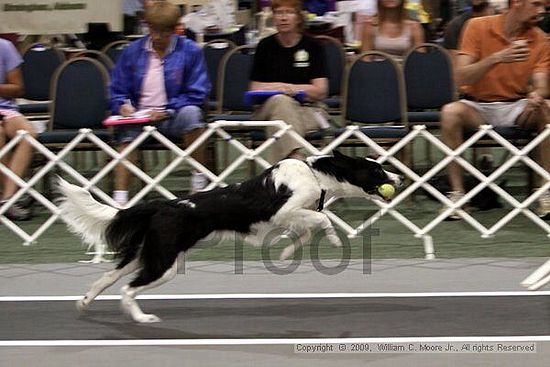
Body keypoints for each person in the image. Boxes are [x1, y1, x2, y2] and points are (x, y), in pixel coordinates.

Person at [440, 0, 550, 220]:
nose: (542, 11)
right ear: (516, 3)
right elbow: (460, 76)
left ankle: (544, 191)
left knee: (547, 108)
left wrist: (537, 95)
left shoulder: (541, 39)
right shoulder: (477, 26)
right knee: (449, 112)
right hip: (477, 105)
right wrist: (498, 58)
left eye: (545, 7)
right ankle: (458, 196)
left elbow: (541, 85)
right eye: (536, 4)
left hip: (516, 106)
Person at [110, 1, 211, 206]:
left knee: (192, 114)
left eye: (164, 32)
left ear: (175, 29)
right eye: (153, 30)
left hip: (174, 115)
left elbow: (198, 91)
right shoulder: (132, 51)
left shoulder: (191, 51)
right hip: (139, 117)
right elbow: (117, 89)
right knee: (126, 135)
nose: (157, 37)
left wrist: (168, 109)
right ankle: (119, 200)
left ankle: (199, 181)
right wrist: (122, 105)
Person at [249, 0, 329, 163]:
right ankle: (296, 159)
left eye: (289, 12)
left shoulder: (313, 46)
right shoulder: (265, 46)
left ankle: (281, 174)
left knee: (279, 124)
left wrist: (293, 88)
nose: (283, 18)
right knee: (281, 101)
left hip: (307, 109)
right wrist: (281, 89)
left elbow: (320, 90)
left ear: (299, 17)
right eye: (279, 13)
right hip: (267, 109)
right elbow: (255, 88)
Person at [0, 38, 37, 221]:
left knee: (28, 134)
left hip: (6, 109)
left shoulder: (5, 47)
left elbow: (18, 88)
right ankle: (12, 200)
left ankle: (7, 198)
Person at [360, 0, 425, 62]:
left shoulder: (414, 26)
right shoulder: (370, 25)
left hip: (405, 71)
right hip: (377, 71)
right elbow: (365, 59)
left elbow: (421, 59)